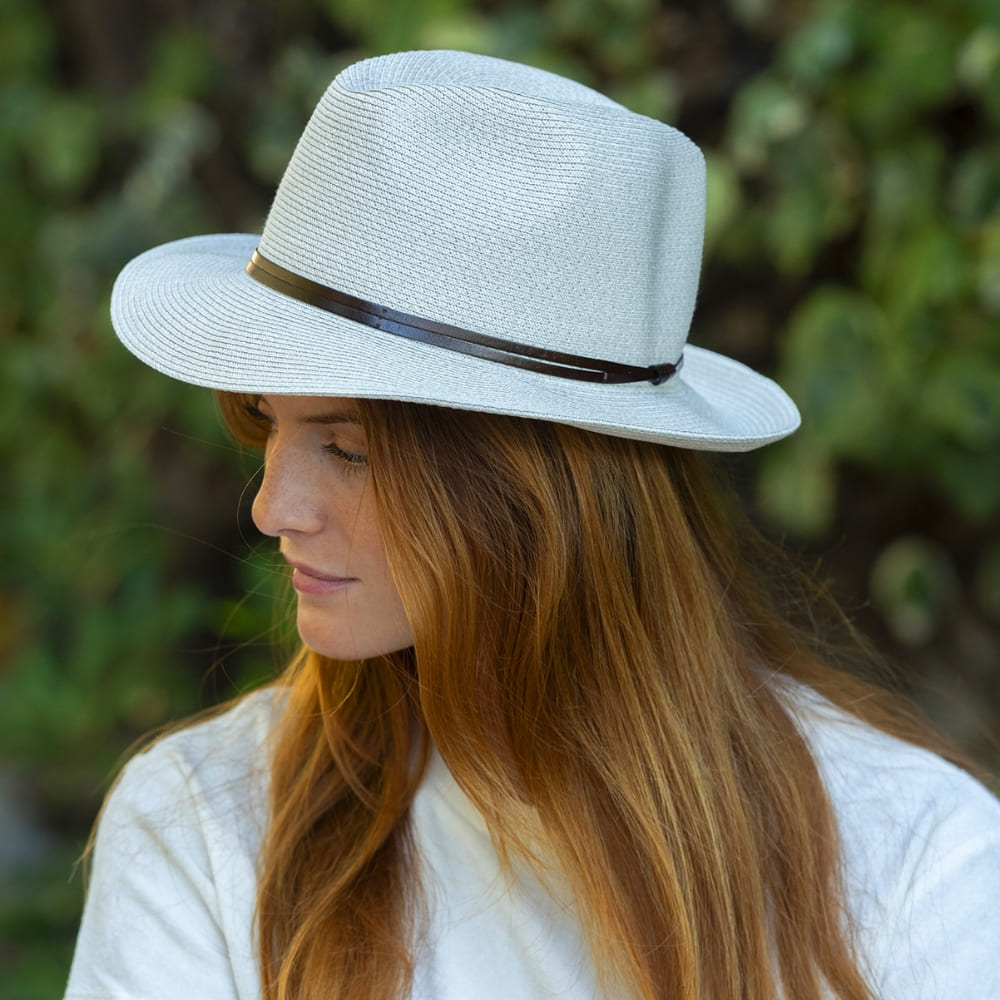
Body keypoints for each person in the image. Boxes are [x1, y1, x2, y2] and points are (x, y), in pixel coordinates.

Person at [64, 50, 999, 1000]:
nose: (271, 509)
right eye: (269, 421)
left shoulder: (912, 862)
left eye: (348, 450)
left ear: (545, 499)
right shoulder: (204, 828)